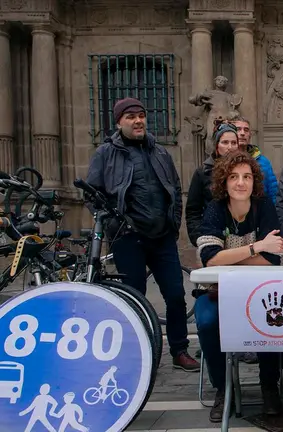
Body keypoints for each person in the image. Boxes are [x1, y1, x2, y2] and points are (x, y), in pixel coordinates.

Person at [85, 98, 199, 372]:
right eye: (130, 117)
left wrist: (173, 224)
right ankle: (139, 353)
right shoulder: (105, 153)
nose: (138, 121)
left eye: (141, 115)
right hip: (128, 238)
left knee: (176, 295)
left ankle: (179, 350)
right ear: (118, 122)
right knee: (134, 298)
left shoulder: (160, 152)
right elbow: (92, 195)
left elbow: (175, 189)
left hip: (162, 237)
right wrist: (116, 224)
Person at [195, 151, 283, 421]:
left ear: (254, 181)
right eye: (234, 177)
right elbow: (209, 258)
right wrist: (256, 247)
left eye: (247, 177)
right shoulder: (215, 209)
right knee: (207, 322)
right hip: (217, 291)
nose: (240, 183)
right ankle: (222, 388)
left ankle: (269, 386)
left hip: (260, 291)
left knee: (273, 319)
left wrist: (228, 256)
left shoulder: (264, 207)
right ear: (224, 182)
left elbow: (273, 259)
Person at [185, 123, 240, 246]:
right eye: (225, 142)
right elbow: (193, 210)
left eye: (233, 143)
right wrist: (198, 237)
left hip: (241, 237)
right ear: (217, 146)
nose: (230, 147)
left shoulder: (246, 171)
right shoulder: (203, 172)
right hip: (211, 236)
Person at [228, 115, 279, 203]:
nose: (242, 133)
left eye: (246, 130)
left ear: (250, 135)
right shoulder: (223, 161)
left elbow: (273, 193)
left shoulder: (264, 162)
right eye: (238, 129)